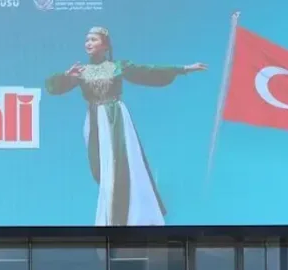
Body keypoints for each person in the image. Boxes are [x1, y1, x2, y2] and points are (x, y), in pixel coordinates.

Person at [44, 26, 206, 226]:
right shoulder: (81, 71)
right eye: (87, 40)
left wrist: (184, 69)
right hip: (95, 121)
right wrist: (66, 77)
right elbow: (53, 87)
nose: (88, 43)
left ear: (105, 45)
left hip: (116, 118)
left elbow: (147, 71)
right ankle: (112, 215)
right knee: (101, 170)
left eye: (93, 39)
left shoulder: (117, 66)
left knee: (121, 167)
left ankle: (125, 219)